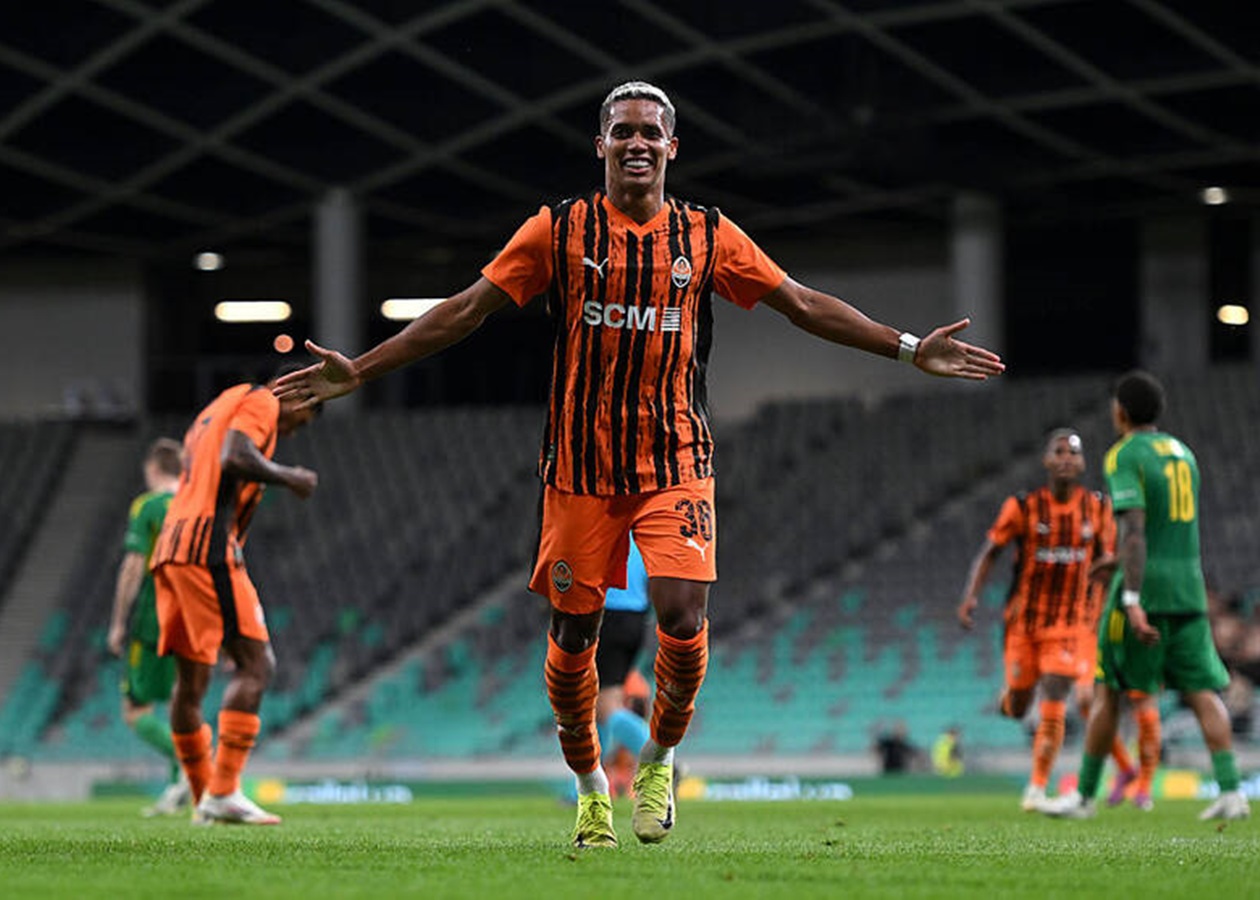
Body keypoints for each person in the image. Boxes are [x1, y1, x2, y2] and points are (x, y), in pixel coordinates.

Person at [275, 80, 1004, 848]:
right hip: (579, 472)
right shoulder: (557, 230)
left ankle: (657, 760)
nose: (636, 143)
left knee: (683, 615)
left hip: (675, 460)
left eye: (651, 132)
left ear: (672, 147)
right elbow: (463, 311)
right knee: (573, 641)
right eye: (622, 131)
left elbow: (801, 302)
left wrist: (907, 348)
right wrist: (361, 370)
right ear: (600, 145)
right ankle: (591, 786)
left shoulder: (707, 235)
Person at [1041, 371, 1248, 821]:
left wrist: (1132, 599)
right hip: (1189, 590)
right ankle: (1232, 792)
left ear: (1120, 411)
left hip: (1146, 591)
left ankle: (1083, 797)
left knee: (1108, 691)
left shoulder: (1124, 454)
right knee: (1202, 691)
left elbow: (1136, 530)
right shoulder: (1183, 454)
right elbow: (1166, 528)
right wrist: (1119, 559)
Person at [151, 375, 319, 825]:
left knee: (191, 682)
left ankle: (203, 797)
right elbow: (235, 457)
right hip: (206, 547)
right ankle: (223, 791)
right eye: (303, 419)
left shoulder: (219, 405)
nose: (292, 432)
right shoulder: (263, 402)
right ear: (294, 395)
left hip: (171, 548)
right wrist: (290, 476)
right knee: (256, 665)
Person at [958, 429, 1145, 810]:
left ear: (1083, 463)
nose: (1066, 459)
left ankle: (1037, 787)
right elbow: (990, 552)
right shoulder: (1023, 507)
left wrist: (1113, 569)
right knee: (1019, 706)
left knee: (1060, 691)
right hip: (1024, 624)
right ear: (1046, 460)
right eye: (1058, 452)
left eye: (1073, 453)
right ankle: (1011, 699)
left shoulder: (1097, 508)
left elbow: (1116, 555)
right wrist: (970, 597)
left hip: (1072, 622)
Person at [107, 437, 187, 816]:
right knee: (179, 703)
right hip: (194, 617)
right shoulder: (197, 503)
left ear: (153, 469)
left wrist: (118, 622)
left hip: (155, 618)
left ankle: (191, 765)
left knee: (135, 709)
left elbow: (133, 566)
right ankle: (177, 788)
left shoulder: (148, 506)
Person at [596, 534, 652, 797]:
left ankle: (657, 759)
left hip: (608, 613)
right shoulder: (639, 531)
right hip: (637, 617)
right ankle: (592, 786)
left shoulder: (603, 523)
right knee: (601, 703)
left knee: (602, 705)